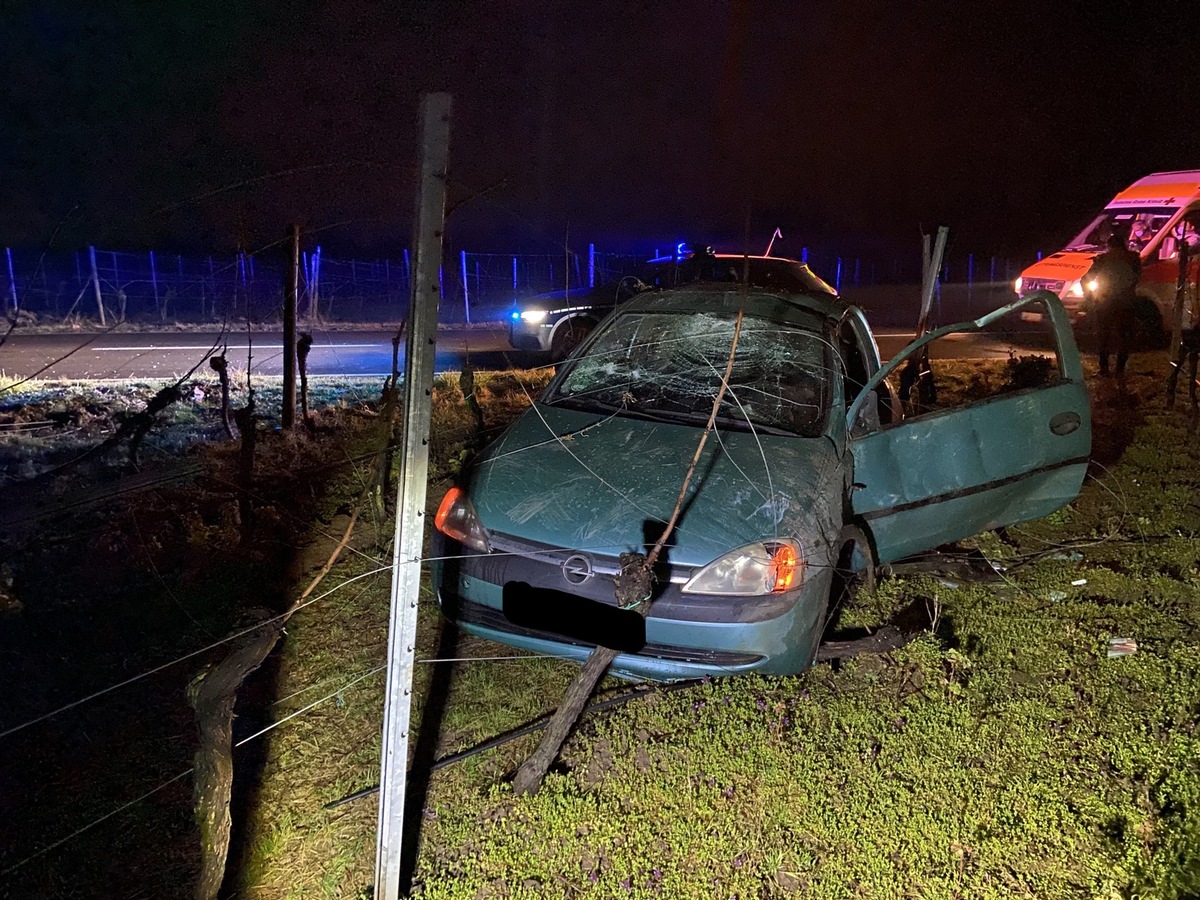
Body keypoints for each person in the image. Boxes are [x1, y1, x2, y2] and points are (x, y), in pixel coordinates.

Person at [1083, 233, 1141, 376]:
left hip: (1104, 301)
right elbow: (1137, 278)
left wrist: (1089, 297)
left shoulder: (1102, 259)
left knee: (1103, 336)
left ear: (1109, 245)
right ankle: (1120, 369)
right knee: (1125, 336)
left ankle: (1104, 369)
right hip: (1126, 302)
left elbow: (1085, 279)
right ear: (1124, 244)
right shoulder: (1133, 259)